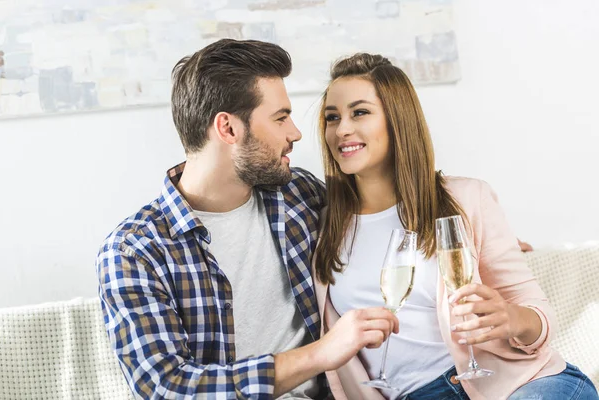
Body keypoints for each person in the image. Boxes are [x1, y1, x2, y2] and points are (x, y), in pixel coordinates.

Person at [96, 39, 399, 399]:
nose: (295, 134)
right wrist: (320, 353)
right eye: (280, 117)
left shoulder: (299, 195)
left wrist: (483, 301)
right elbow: (168, 388)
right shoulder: (134, 251)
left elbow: (390, 224)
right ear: (228, 129)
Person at [312, 53, 598, 400]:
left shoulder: (466, 199)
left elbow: (538, 315)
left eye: (360, 112)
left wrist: (511, 318)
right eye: (332, 117)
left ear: (397, 120)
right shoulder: (324, 226)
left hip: (519, 384)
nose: (341, 129)